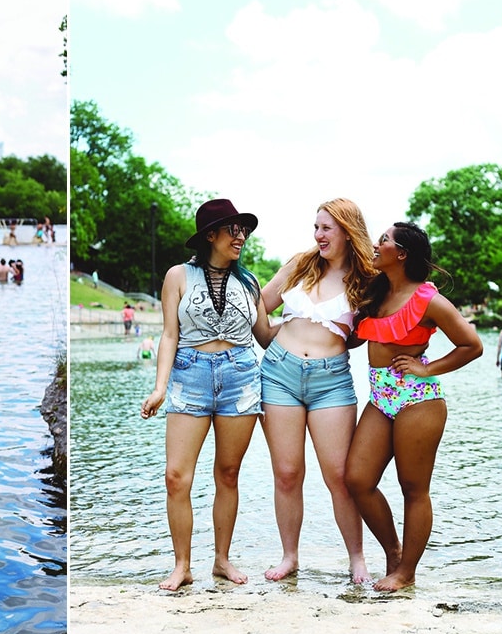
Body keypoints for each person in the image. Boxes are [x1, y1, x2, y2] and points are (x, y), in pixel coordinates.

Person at [140, 198, 275, 591]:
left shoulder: (250, 283)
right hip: (189, 376)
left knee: (227, 474)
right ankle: (182, 565)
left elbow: (265, 335)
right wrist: (160, 387)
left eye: (244, 230)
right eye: (233, 229)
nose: (241, 236)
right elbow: (170, 335)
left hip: (240, 377)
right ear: (210, 235)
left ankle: (221, 560)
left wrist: (311, 325)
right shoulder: (178, 276)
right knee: (175, 477)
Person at [345, 222, 483, 592]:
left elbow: (472, 345)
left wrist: (427, 368)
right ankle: (394, 554)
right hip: (381, 397)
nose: (377, 245)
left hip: (419, 399)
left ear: (402, 254)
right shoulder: (377, 292)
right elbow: (359, 338)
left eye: (384, 240)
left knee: (413, 488)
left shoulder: (428, 299)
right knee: (357, 479)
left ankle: (407, 572)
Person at [259, 198, 376, 583]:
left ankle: (357, 559)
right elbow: (259, 304)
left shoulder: (367, 281)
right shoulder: (299, 265)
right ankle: (289, 557)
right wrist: (268, 339)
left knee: (339, 476)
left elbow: (375, 327)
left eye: (326, 228)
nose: (318, 235)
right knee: (287, 473)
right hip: (279, 375)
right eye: (316, 227)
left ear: (347, 231)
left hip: (332, 383)